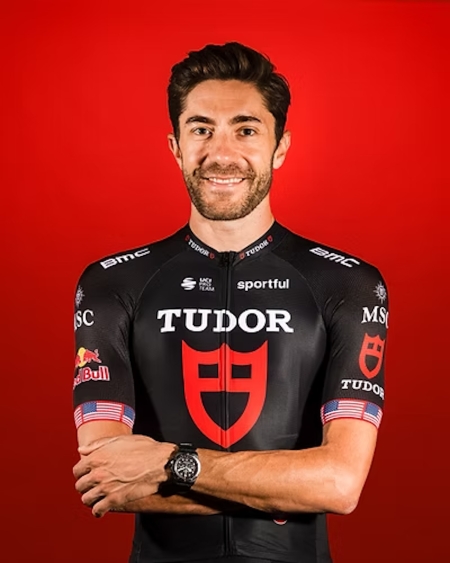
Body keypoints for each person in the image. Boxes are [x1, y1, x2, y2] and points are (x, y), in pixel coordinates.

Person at [72, 42, 388, 563]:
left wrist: (171, 464)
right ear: (175, 146)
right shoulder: (113, 284)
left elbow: (338, 484)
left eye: (245, 130)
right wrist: (286, 484)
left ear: (280, 147)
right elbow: (108, 476)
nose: (221, 154)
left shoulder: (347, 284)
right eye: (201, 130)